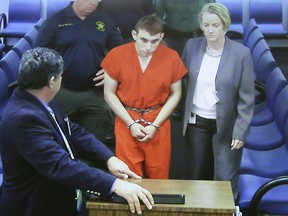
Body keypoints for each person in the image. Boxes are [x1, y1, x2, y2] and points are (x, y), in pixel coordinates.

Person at [0, 47, 154, 216]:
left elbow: (71, 131)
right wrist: (114, 184)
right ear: (52, 81)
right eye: (60, 76)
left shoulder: (39, 98)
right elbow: (60, 165)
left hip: (56, 198)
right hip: (33, 206)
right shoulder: (23, 119)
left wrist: (108, 158)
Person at [182, 3, 254, 201]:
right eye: (206, 25)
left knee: (224, 179)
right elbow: (182, 81)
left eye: (215, 25)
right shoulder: (192, 46)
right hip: (197, 121)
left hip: (226, 126)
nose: (210, 30)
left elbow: (247, 98)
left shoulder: (241, 54)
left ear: (225, 26)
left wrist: (241, 130)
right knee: (196, 175)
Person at [101, 15, 187, 179]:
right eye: (144, 40)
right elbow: (108, 93)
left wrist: (155, 125)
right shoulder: (116, 55)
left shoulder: (171, 57)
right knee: (128, 176)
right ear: (134, 35)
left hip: (158, 118)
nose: (148, 46)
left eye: (154, 41)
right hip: (126, 117)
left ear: (161, 37)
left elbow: (176, 93)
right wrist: (130, 123)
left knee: (159, 177)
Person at [34, 0, 124, 144]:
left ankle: (89, 165)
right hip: (62, 92)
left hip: (95, 93)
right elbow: (37, 53)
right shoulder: (55, 21)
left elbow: (122, 52)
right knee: (59, 141)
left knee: (94, 144)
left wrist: (112, 70)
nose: (93, 3)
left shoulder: (104, 21)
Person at [154, 0, 215, 119]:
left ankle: (200, 104)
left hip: (198, 36)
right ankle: (178, 105)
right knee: (176, 75)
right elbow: (157, 17)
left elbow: (214, 13)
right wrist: (158, 39)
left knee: (199, 73)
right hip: (172, 37)